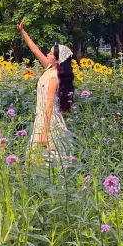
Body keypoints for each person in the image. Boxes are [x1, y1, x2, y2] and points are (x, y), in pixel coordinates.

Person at [17, 18, 74, 163]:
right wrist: (22, 31)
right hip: (41, 118)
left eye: (50, 54)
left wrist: (44, 133)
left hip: (48, 121)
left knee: (49, 159)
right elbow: (34, 49)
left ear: (57, 60)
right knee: (40, 159)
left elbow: (49, 105)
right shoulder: (49, 67)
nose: (47, 55)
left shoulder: (54, 77)